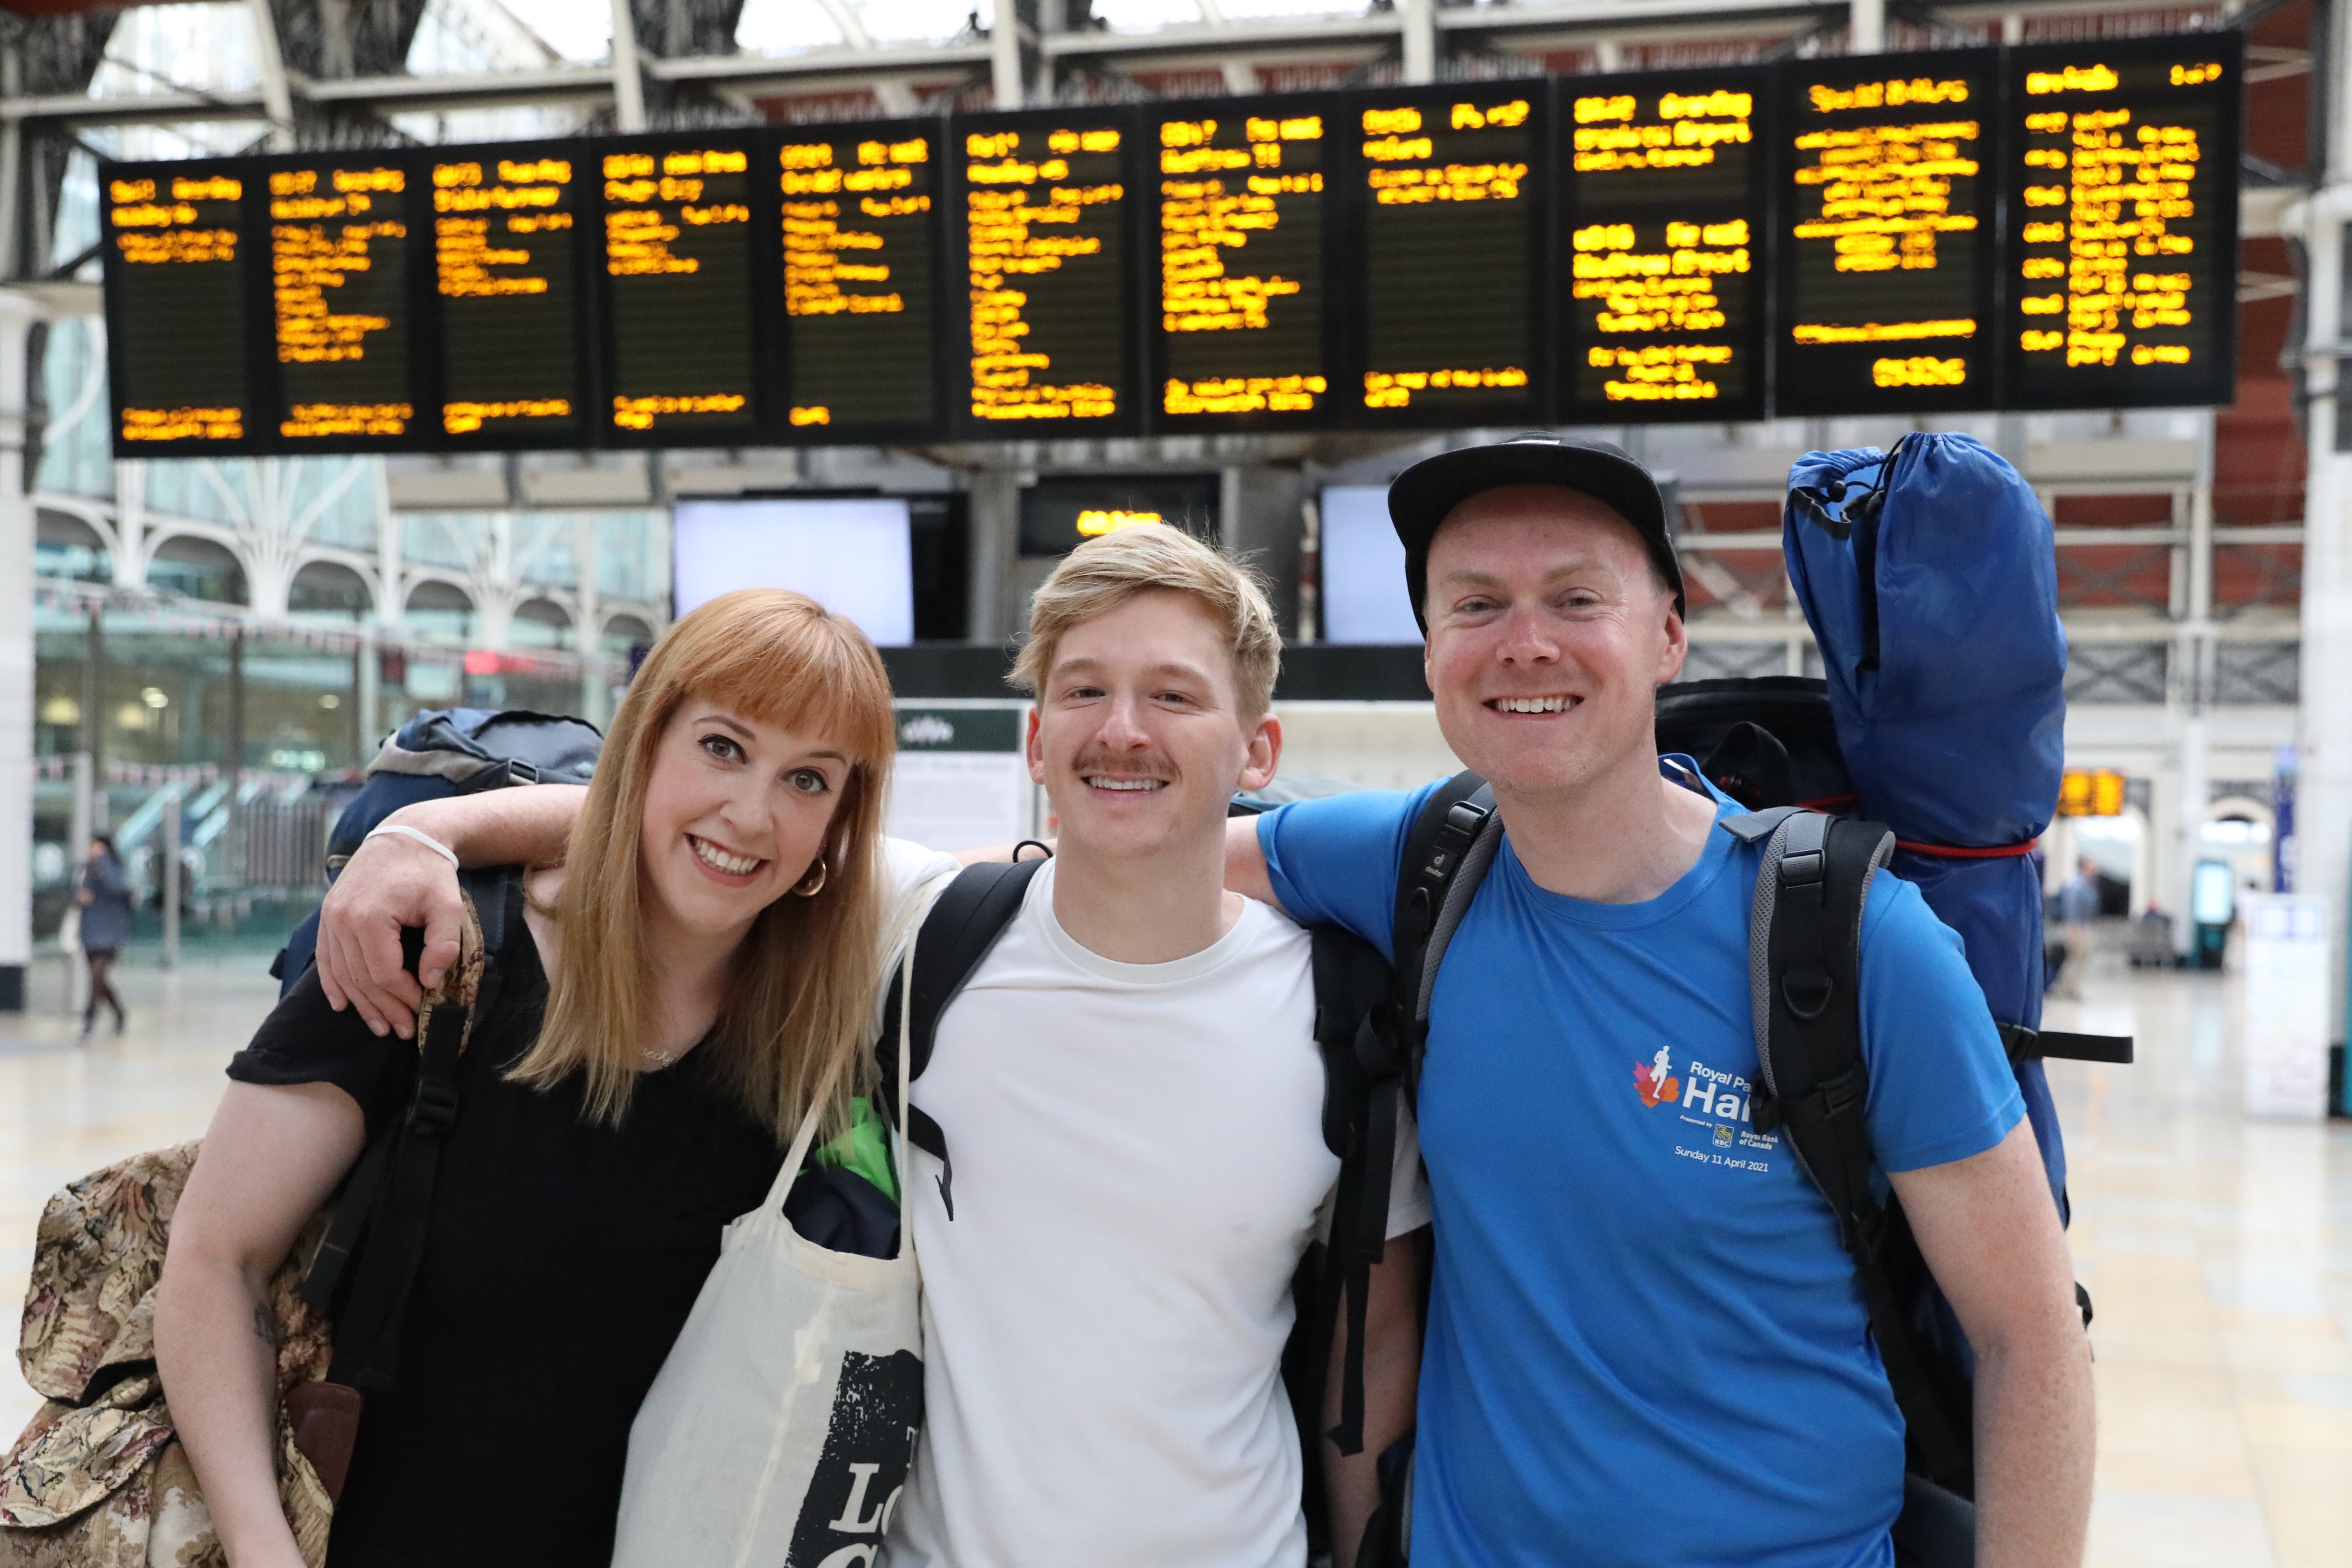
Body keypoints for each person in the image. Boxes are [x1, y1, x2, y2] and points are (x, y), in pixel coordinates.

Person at [312, 526, 1430, 1568]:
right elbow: (682, 826)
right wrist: (426, 829)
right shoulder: (922, 923)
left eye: (1173, 695)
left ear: (1257, 747)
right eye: (1084, 689)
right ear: (1037, 741)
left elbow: (1370, 1350)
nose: (1122, 728)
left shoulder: (1338, 1011)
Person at [1218, 436, 2095, 1568]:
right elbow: (1131, 863)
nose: (1523, 641)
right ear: (1431, 651)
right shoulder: (1414, 862)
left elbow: (2029, 1340)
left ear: (1667, 635)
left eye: (1575, 597)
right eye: (1474, 603)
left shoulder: (1853, 941)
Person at [155, 590, 944, 1568]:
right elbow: (210, 1258)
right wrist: (258, 1547)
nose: (753, 813)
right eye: (722, 747)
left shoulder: (818, 1027)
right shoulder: (439, 956)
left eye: (808, 779)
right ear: (647, 741)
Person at [72, 834, 132, 1039]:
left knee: (98, 976)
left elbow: (118, 886)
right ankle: (119, 1012)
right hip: (90, 932)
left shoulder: (115, 868)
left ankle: (89, 1019)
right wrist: (78, 896)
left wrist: (103, 862)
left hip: (112, 933)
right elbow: (71, 890)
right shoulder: (83, 870)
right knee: (99, 980)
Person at [2052, 857, 2102, 999]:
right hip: (2077, 928)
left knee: (2080, 960)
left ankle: (2072, 990)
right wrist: (2072, 929)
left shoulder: (2090, 886)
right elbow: (2072, 909)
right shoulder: (2077, 886)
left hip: (2087, 926)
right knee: (2074, 960)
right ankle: (2066, 990)